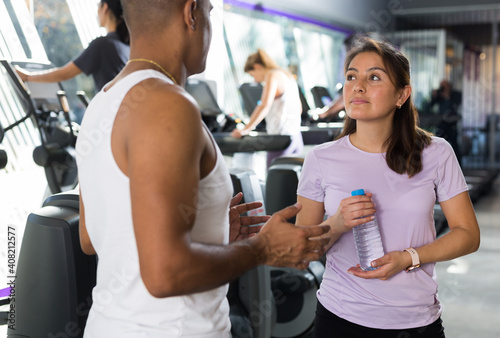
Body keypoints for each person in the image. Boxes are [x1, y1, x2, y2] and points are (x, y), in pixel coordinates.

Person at [75, 0, 330, 337]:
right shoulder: (168, 103)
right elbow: (165, 273)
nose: (209, 21)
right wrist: (262, 249)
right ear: (191, 12)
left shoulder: (102, 102)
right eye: (210, 12)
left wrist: (212, 232)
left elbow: (92, 238)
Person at [296, 37, 480, 338]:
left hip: (416, 320)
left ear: (401, 95)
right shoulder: (320, 159)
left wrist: (409, 257)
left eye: (374, 77)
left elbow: (468, 235)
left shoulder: (436, 152)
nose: (358, 86)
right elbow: (302, 250)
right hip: (340, 317)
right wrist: (337, 224)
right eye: (351, 76)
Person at [15, 0, 129, 92]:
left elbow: (64, 74)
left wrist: (27, 77)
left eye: (98, 6)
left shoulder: (102, 44)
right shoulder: (125, 45)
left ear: (104, 8)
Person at [231, 49, 304, 168]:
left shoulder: (272, 75)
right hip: (296, 137)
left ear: (257, 66)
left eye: (252, 74)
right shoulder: (287, 76)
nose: (255, 80)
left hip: (280, 140)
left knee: (274, 183)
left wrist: (246, 129)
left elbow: (265, 104)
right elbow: (299, 108)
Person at [427, 79, 463, 164]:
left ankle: (458, 166)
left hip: (452, 125)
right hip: (441, 124)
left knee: (454, 146)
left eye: (444, 86)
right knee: (437, 146)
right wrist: (433, 97)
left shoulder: (456, 95)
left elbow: (453, 109)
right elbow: (428, 107)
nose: (442, 88)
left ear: (449, 86)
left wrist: (447, 98)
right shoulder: (439, 95)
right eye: (441, 86)